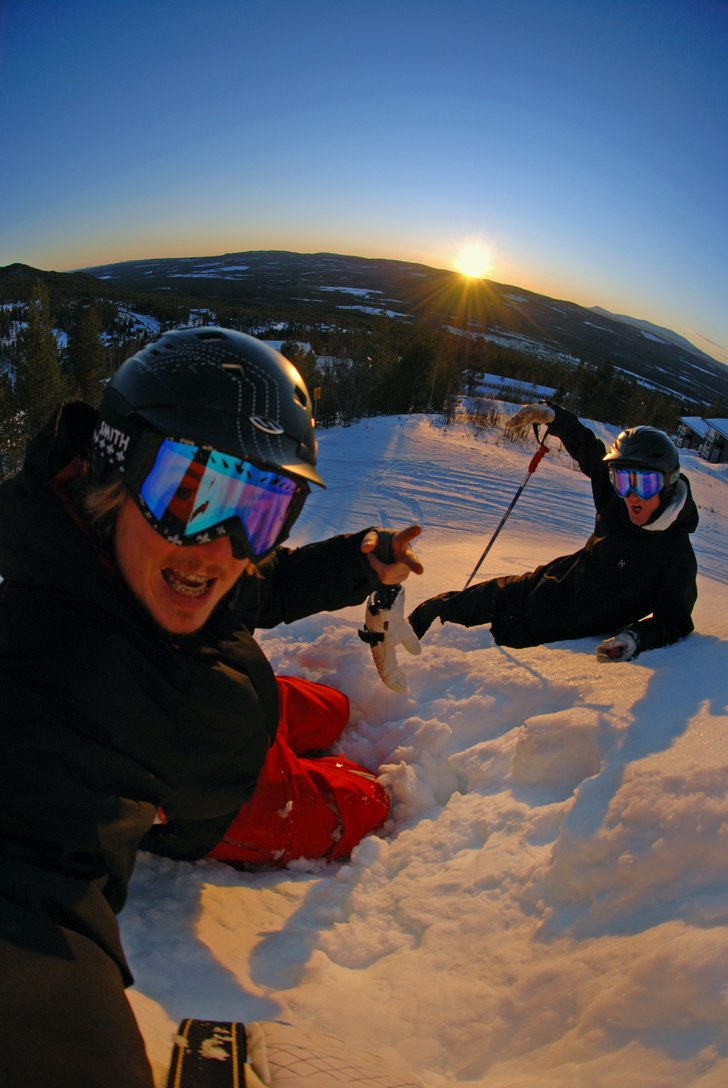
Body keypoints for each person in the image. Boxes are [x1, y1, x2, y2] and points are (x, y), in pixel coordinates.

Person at [0, 327, 422, 1088]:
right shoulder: (51, 665)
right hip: (217, 800)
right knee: (364, 804)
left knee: (327, 707)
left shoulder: (153, 553)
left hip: (232, 709)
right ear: (113, 466)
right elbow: (28, 900)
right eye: (186, 492)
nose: (218, 547)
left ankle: (287, 730)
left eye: (259, 510)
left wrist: (361, 559)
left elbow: (264, 586)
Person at [408, 402, 698, 661]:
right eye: (622, 481)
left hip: (551, 633)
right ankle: (381, 641)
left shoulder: (675, 556)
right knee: (435, 611)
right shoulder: (617, 505)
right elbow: (590, 452)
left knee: (459, 664)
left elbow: (674, 622)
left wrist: (635, 638)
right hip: (531, 589)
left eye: (644, 484)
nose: (632, 495)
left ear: (667, 483)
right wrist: (554, 417)